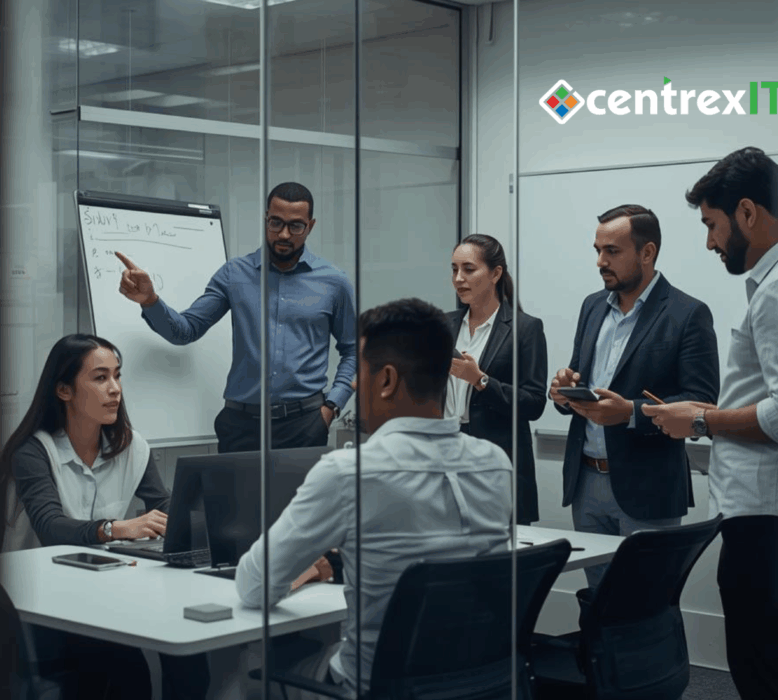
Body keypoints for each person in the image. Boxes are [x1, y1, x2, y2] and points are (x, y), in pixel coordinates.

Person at [234, 298, 513, 696]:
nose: (352, 385)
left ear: (385, 380)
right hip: (473, 682)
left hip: (373, 688)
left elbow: (254, 586)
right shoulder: (495, 464)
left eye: (358, 374)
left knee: (242, 668)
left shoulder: (350, 473)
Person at [645, 147, 778, 700]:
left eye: (712, 224)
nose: (710, 241)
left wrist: (701, 419)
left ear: (748, 213)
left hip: (777, 523)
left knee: (770, 676)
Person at [0, 334, 208, 700]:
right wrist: (117, 529)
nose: (115, 389)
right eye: (100, 378)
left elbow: (164, 504)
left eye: (117, 376)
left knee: (187, 657)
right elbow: (50, 527)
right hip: (40, 598)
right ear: (64, 390)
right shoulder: (33, 451)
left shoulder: (131, 446)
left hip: (103, 590)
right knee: (121, 673)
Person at [549, 204, 720, 590]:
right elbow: (581, 375)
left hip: (647, 485)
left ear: (647, 252)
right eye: (597, 250)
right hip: (586, 482)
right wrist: (563, 389)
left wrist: (629, 413)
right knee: (598, 602)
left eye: (612, 251)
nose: (600, 261)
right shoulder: (592, 306)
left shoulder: (687, 313)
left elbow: (701, 401)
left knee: (647, 606)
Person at [114, 182, 356, 453]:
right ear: (266, 220)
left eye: (296, 226)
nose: (284, 234)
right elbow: (185, 330)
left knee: (299, 498)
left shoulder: (334, 282)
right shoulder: (234, 274)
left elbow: (353, 351)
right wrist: (150, 301)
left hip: (305, 424)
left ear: (310, 226)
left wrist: (332, 406)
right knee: (236, 498)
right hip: (242, 426)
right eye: (276, 223)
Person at [444, 233, 548, 525]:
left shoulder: (525, 329)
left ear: (495, 273)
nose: (459, 278)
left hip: (497, 465)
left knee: (497, 564)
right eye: (454, 269)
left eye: (469, 269)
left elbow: (534, 403)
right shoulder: (444, 324)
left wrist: (481, 381)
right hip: (446, 459)